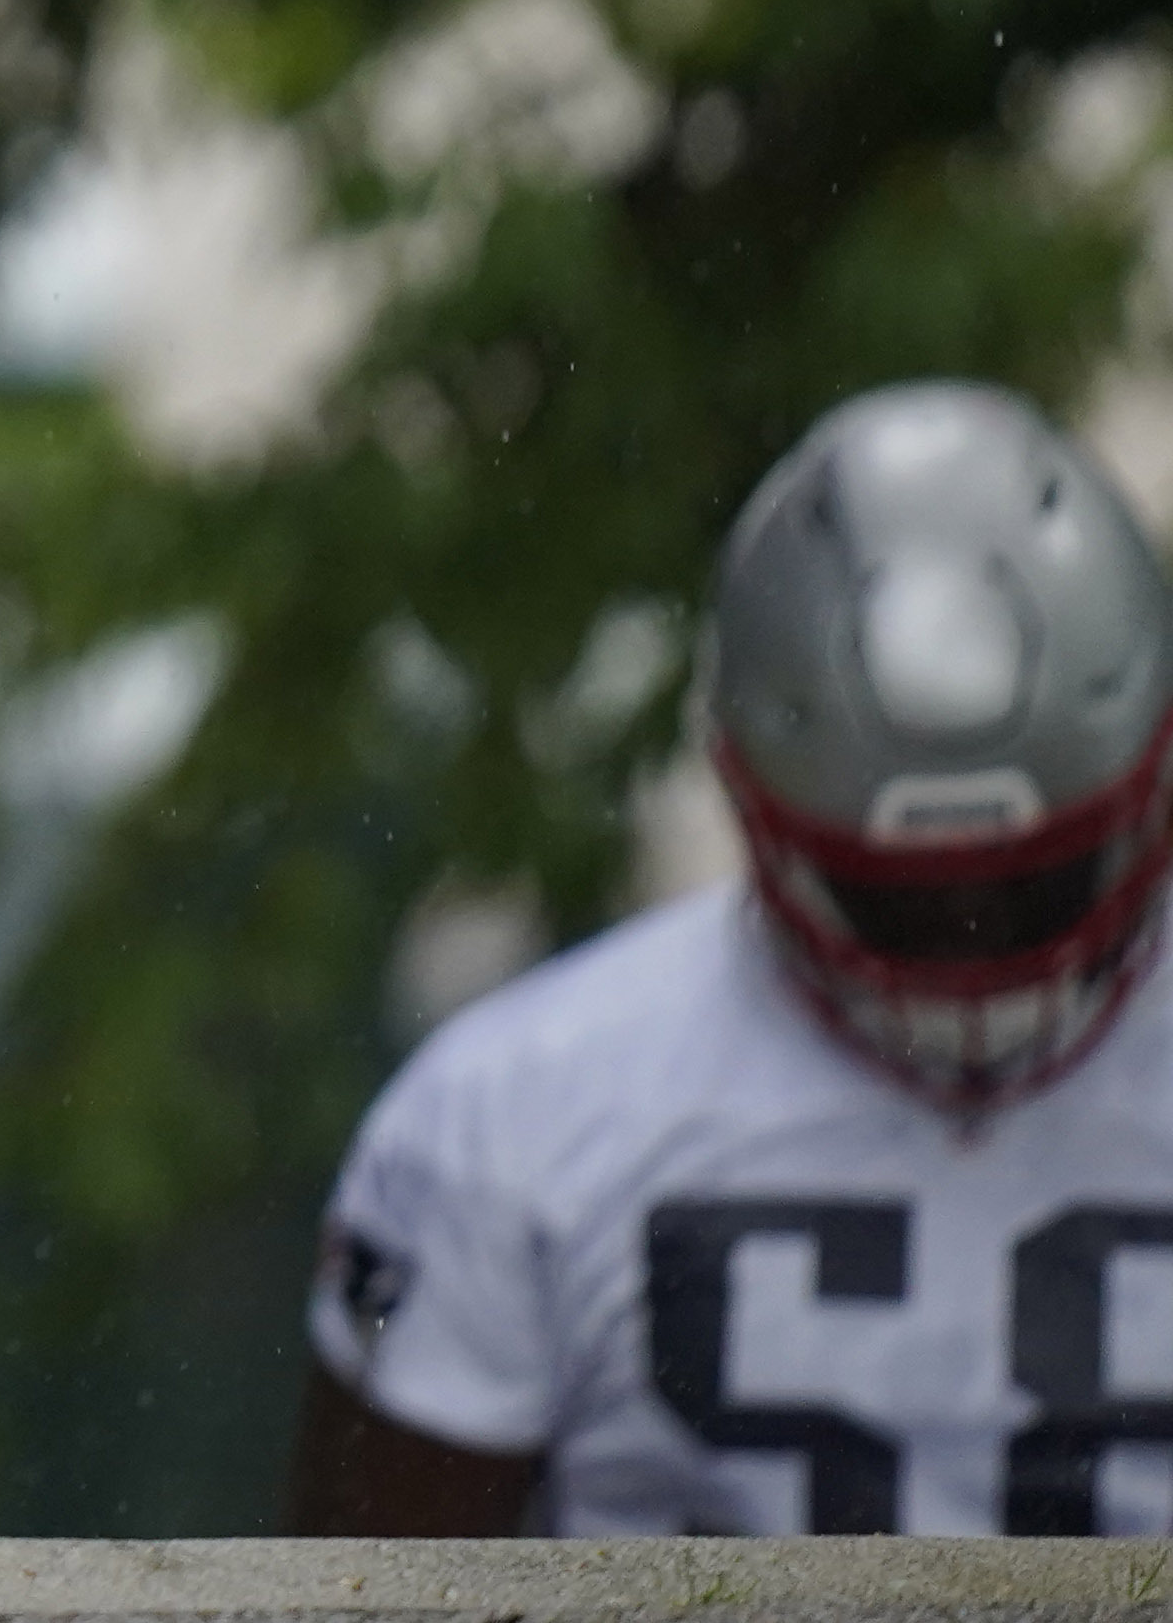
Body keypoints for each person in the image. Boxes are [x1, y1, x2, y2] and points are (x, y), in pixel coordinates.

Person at [291, 381, 1173, 1536]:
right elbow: (356, 1591)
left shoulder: (526, 1106)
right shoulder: (504, 1124)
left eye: (1029, 884)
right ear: (747, 790)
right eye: (901, 901)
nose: (970, 949)